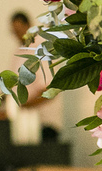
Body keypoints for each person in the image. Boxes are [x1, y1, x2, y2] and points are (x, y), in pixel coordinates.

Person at [5, 11, 62, 144]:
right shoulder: (18, 52)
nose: (17, 35)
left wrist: (25, 106)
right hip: (24, 123)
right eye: (14, 32)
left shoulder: (42, 49)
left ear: (29, 26)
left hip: (45, 124)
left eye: (19, 31)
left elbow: (50, 89)